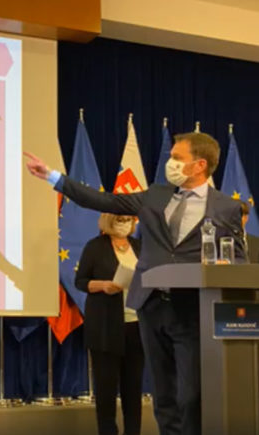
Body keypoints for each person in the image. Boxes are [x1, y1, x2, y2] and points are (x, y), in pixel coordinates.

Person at [24, 132, 245, 435]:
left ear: (200, 165)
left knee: (190, 394)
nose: (170, 163)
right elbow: (105, 200)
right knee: (163, 395)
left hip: (193, 310)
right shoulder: (155, 195)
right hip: (151, 307)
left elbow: (238, 260)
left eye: (177, 158)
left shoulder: (227, 208)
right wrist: (53, 177)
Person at [76, 213, 143, 435]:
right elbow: (81, 281)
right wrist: (103, 285)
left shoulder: (139, 246)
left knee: (133, 388)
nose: (125, 223)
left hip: (136, 325)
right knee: (106, 389)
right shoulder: (95, 247)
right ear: (108, 221)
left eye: (128, 219)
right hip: (105, 326)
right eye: (119, 219)